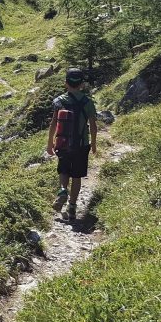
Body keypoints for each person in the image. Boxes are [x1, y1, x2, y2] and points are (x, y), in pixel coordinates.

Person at [46, 68, 97, 220]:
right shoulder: (87, 102)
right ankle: (72, 206)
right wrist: (93, 144)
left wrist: (50, 143)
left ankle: (62, 190)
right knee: (76, 176)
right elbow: (93, 126)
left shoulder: (59, 101)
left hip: (63, 143)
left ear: (65, 83)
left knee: (64, 170)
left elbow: (53, 124)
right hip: (81, 145)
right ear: (82, 84)